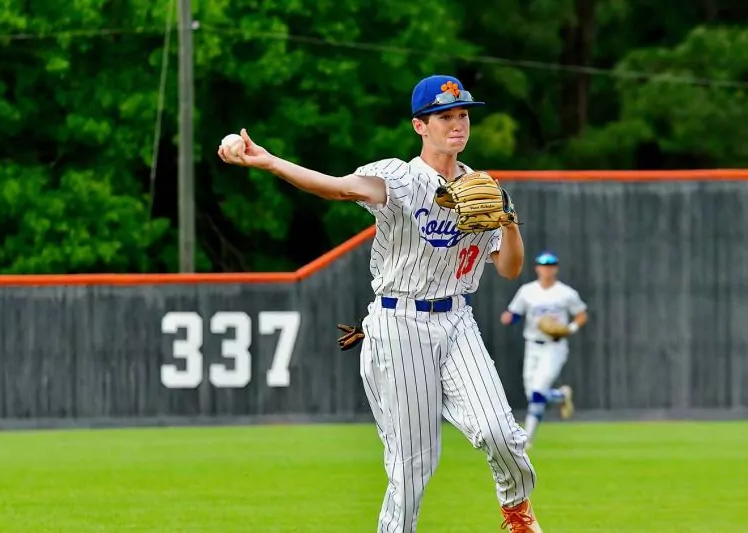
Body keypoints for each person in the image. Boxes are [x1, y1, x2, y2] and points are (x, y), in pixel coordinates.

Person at [218, 74, 543, 533]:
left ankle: (516, 511)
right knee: (413, 465)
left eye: (463, 115)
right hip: (399, 322)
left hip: (457, 320)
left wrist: (508, 222)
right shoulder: (400, 178)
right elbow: (336, 187)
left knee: (500, 433)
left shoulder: (484, 190)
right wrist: (271, 162)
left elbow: (509, 268)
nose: (457, 124)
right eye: (444, 116)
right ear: (419, 126)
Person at [500, 251, 588, 450]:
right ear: (537, 268)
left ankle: (527, 439)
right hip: (532, 345)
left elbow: (581, 314)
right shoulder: (527, 291)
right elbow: (515, 312)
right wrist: (509, 318)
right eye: (543, 265)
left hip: (554, 346)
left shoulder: (565, 292)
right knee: (532, 394)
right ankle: (560, 396)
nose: (547, 269)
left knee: (538, 391)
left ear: (555, 268)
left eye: (550, 265)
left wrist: (570, 328)